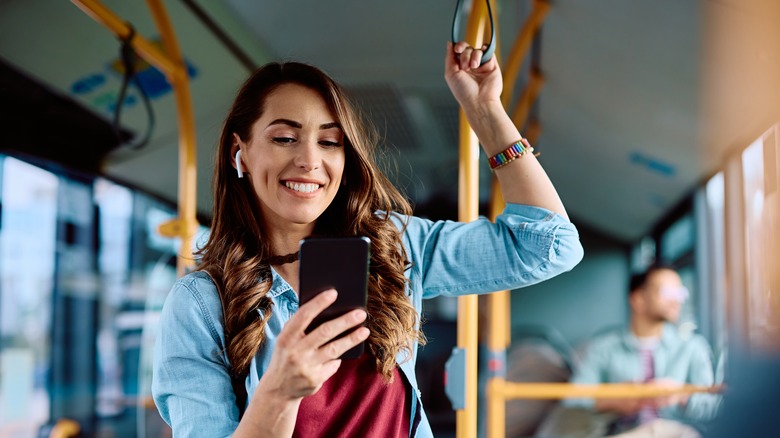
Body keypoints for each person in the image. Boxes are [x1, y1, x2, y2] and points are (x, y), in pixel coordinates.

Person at [151, 41, 583, 437]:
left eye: (330, 142)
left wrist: (486, 111)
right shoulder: (200, 305)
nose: (309, 160)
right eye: (284, 138)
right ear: (237, 152)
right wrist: (278, 393)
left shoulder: (393, 246)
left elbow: (549, 244)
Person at [561, 265, 720, 437]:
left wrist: (681, 395)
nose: (677, 300)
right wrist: (612, 399)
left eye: (680, 292)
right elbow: (573, 398)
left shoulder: (694, 347)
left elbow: (713, 406)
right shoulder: (603, 348)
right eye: (668, 292)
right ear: (638, 299)